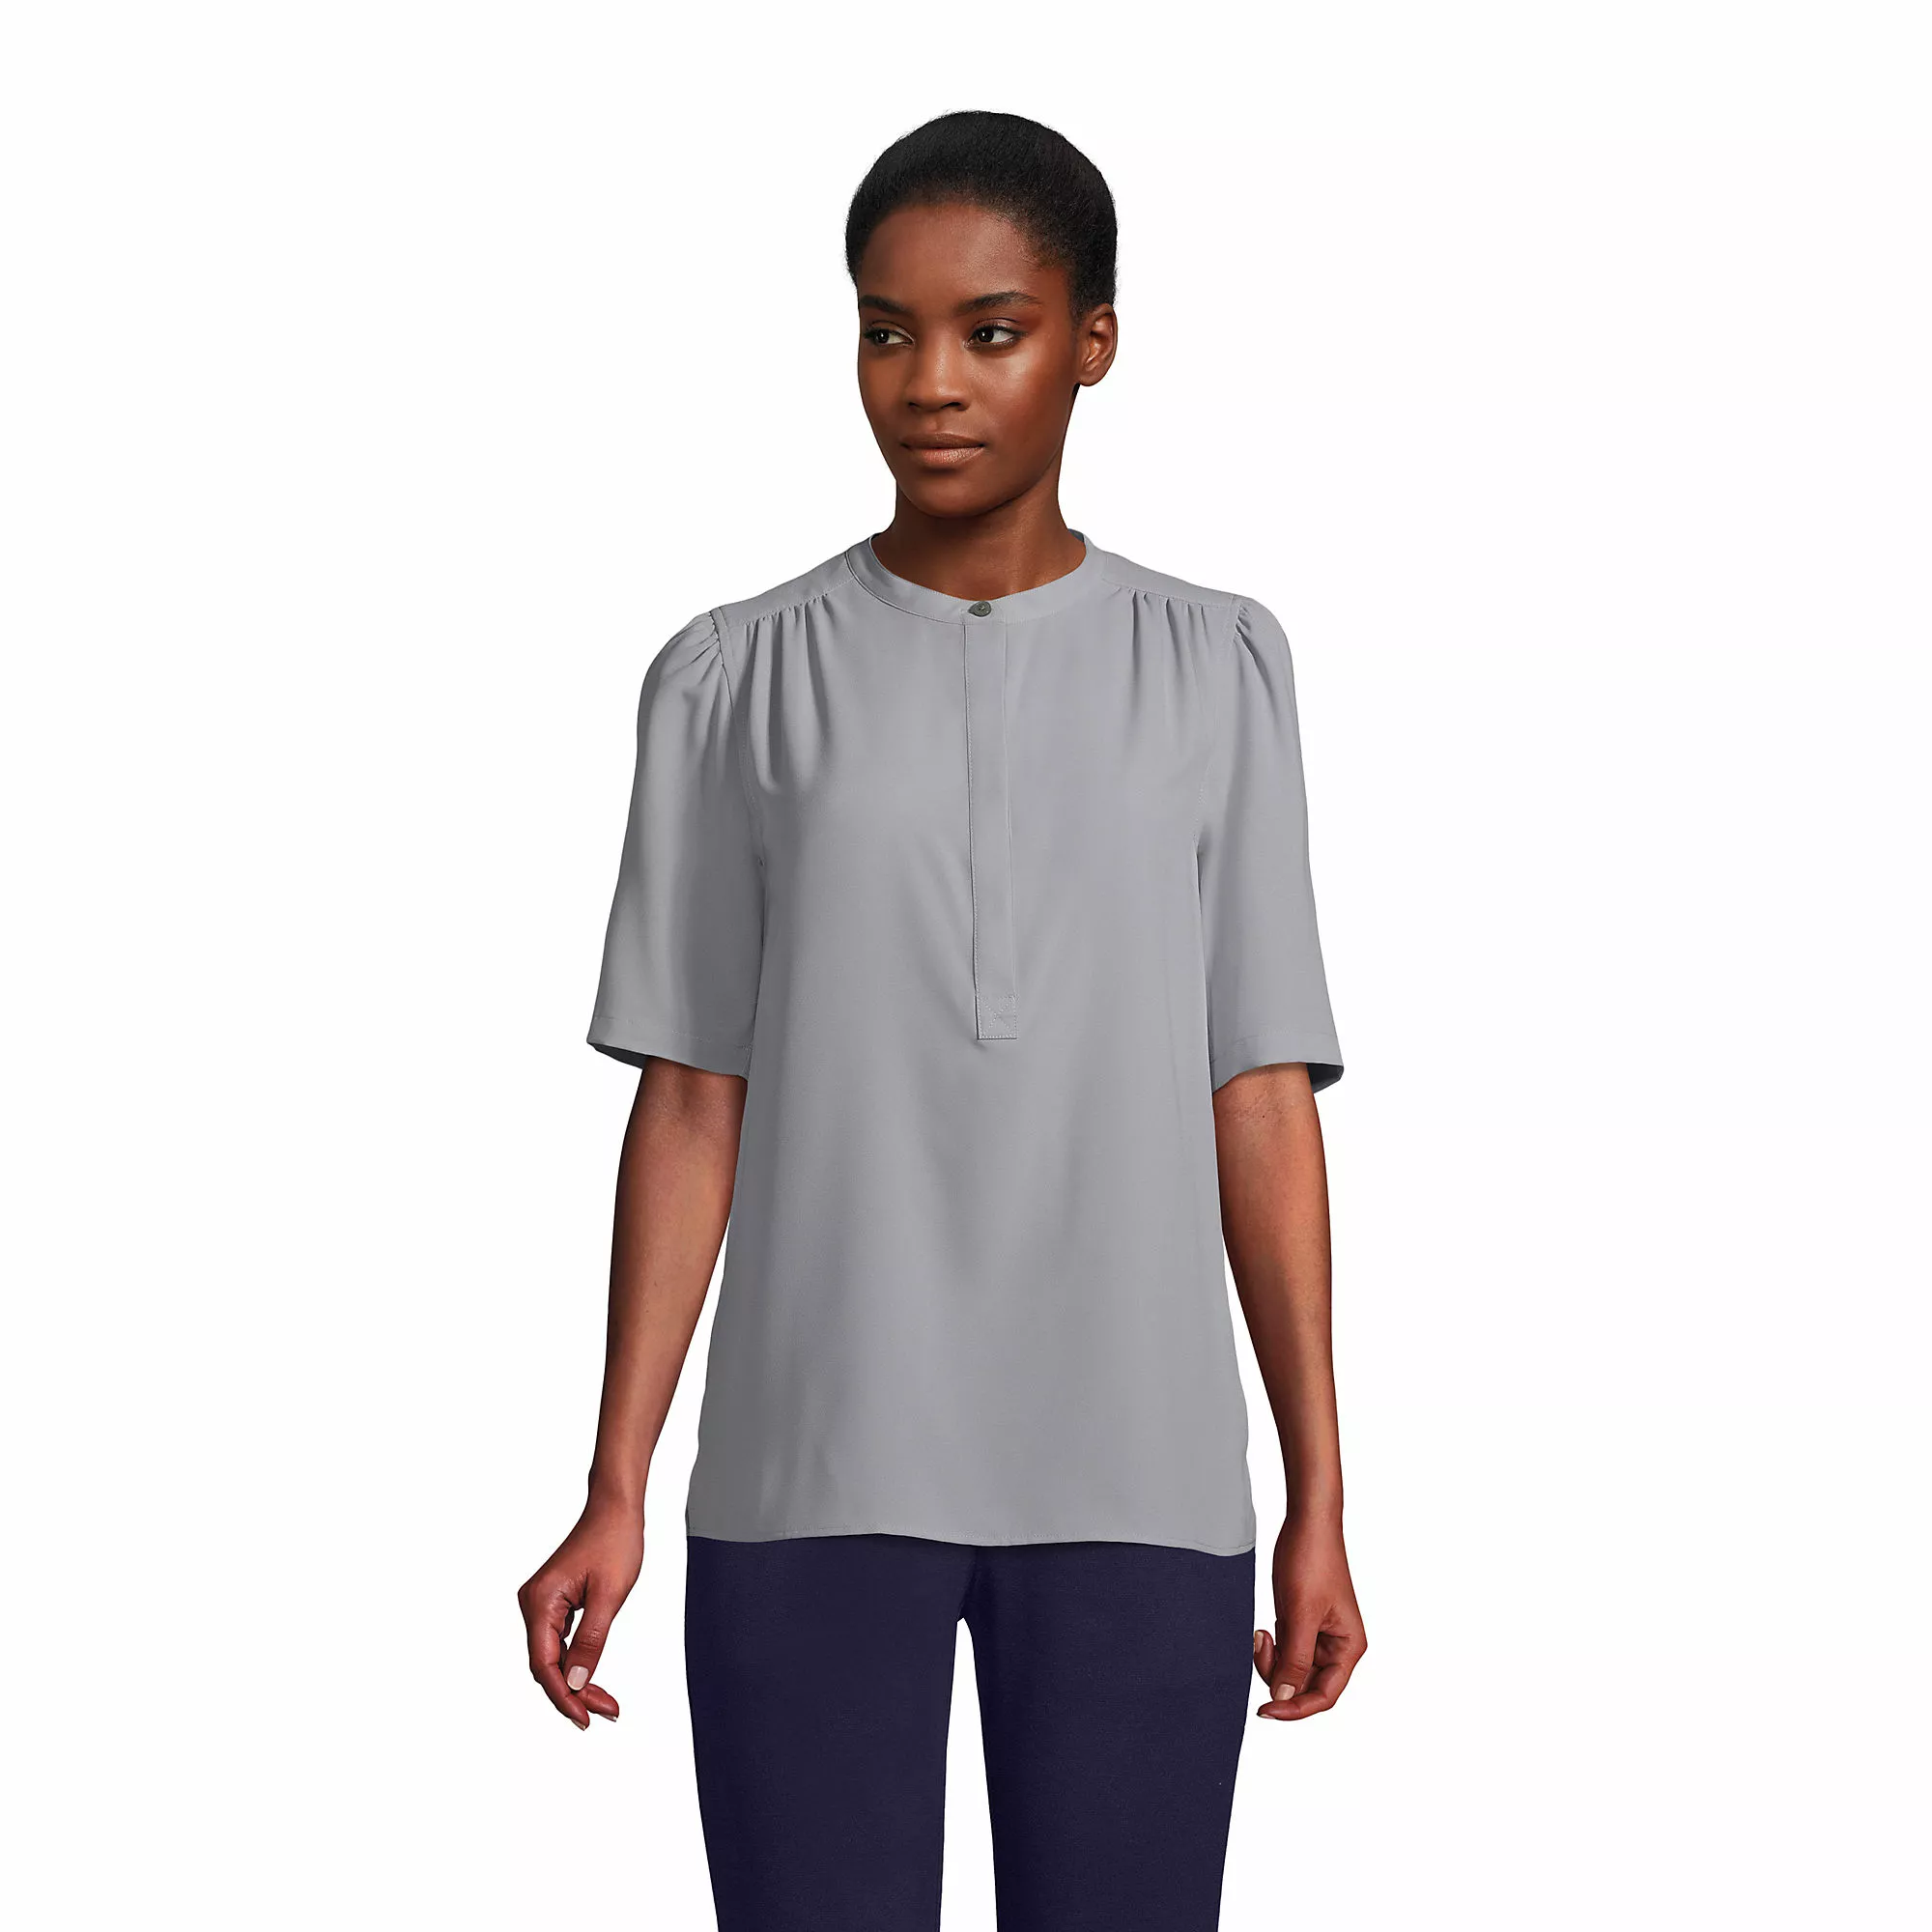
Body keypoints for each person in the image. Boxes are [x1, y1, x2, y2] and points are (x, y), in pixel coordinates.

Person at [517, 108, 1367, 1931]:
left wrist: (1320, 1493)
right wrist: (613, 1485)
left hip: (1140, 1475)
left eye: (993, 330)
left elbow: (1259, 1090)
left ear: (1093, 342)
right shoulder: (733, 677)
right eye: (887, 330)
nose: (931, 383)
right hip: (808, 1471)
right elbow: (692, 1097)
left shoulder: (1218, 666)